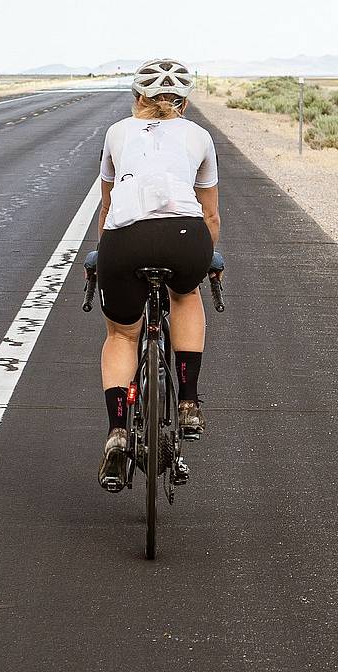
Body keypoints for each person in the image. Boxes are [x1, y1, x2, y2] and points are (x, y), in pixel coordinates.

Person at [95, 58, 220, 492]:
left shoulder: (117, 132)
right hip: (185, 235)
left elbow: (107, 207)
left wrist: (104, 256)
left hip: (125, 238)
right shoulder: (199, 136)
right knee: (185, 295)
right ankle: (188, 403)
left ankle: (117, 431)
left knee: (121, 335)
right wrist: (206, 258)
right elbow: (210, 215)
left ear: (137, 97)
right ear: (184, 102)